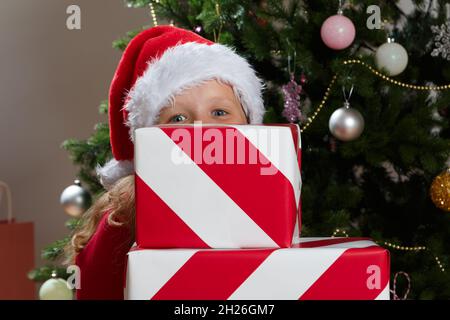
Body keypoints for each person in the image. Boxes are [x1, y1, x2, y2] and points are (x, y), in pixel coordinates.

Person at [66, 25, 266, 300]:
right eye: (178, 119)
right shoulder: (121, 219)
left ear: (249, 123)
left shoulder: (267, 199)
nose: (201, 130)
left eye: (219, 112)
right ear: (148, 136)